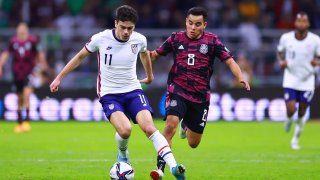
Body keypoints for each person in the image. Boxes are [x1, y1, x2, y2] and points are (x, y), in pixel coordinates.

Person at [49, 5, 186, 179]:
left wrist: (149, 75)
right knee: (125, 130)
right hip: (109, 93)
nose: (126, 32)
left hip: (133, 90)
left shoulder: (139, 39)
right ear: (116, 23)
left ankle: (174, 167)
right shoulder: (101, 38)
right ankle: (123, 154)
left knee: (149, 127)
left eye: (130, 28)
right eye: (123, 27)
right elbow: (80, 57)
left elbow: (144, 54)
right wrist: (59, 77)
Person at [148, 7, 250, 179]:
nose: (193, 28)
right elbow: (155, 55)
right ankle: (160, 169)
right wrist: (142, 53)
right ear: (186, 22)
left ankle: (186, 124)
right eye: (190, 23)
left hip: (200, 97)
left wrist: (241, 77)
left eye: (197, 24)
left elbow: (230, 61)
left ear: (204, 24)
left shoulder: (212, 41)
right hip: (177, 90)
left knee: (193, 143)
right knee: (169, 126)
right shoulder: (175, 38)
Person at [277, 12, 320, 150]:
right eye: (299, 21)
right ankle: (289, 119)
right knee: (291, 109)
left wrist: (317, 62)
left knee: (302, 112)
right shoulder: (286, 38)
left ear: (307, 24)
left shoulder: (315, 40)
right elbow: (279, 52)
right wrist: (281, 61)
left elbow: (319, 57)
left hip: (307, 80)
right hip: (290, 78)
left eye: (304, 21)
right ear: (295, 23)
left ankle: (295, 139)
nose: (301, 23)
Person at [0, 22, 49, 133]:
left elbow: (39, 54)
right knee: (19, 98)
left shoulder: (32, 41)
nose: (21, 31)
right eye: (19, 29)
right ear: (17, 30)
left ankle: (26, 122)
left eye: (23, 29)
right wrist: (1, 65)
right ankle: (19, 123)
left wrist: (43, 66)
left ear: (26, 30)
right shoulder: (13, 41)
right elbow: (6, 53)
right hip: (17, 73)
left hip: (29, 72)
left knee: (27, 95)